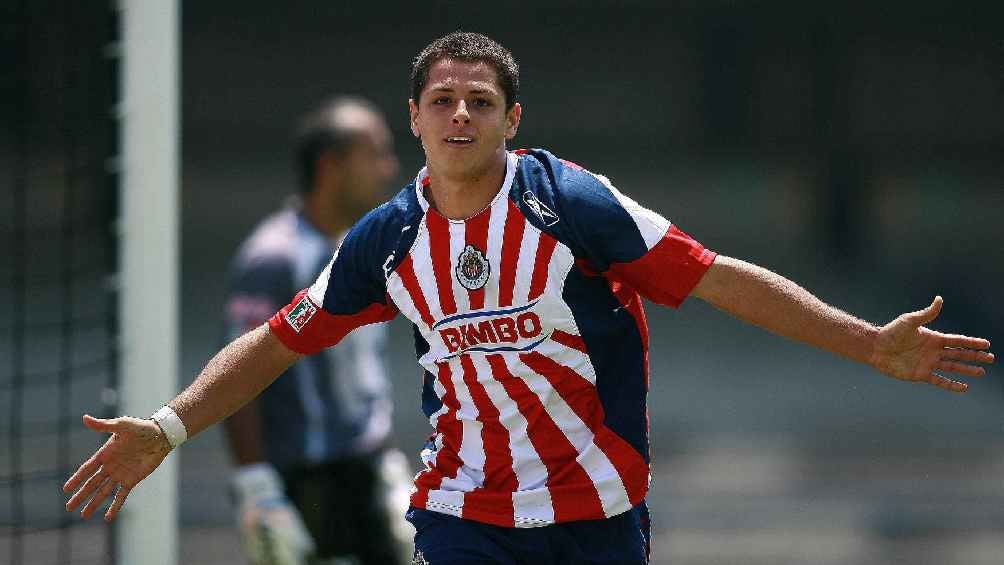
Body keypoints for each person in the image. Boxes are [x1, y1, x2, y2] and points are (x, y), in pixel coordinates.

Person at [64, 32, 994, 565]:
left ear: (512, 119)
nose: (459, 114)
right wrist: (168, 426)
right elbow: (277, 339)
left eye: (479, 100)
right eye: (441, 100)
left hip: (598, 513)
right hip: (464, 514)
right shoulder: (386, 240)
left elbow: (717, 277)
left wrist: (868, 342)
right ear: (414, 118)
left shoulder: (572, 204)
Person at [220, 97, 413, 565]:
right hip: (307, 482)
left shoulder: (363, 246)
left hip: (366, 472)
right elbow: (238, 375)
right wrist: (256, 486)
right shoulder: (273, 259)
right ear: (331, 166)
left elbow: (363, 370)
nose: (388, 169)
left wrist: (388, 461)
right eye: (375, 154)